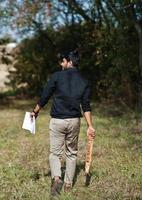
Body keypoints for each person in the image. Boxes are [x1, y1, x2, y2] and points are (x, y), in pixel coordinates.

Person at [30, 50, 96, 196]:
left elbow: (45, 96)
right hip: (74, 121)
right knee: (71, 153)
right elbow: (86, 106)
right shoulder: (84, 80)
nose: (61, 64)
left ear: (69, 61)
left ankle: (56, 178)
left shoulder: (57, 76)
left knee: (55, 153)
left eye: (63, 61)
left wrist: (35, 112)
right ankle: (68, 184)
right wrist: (90, 126)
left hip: (58, 121)